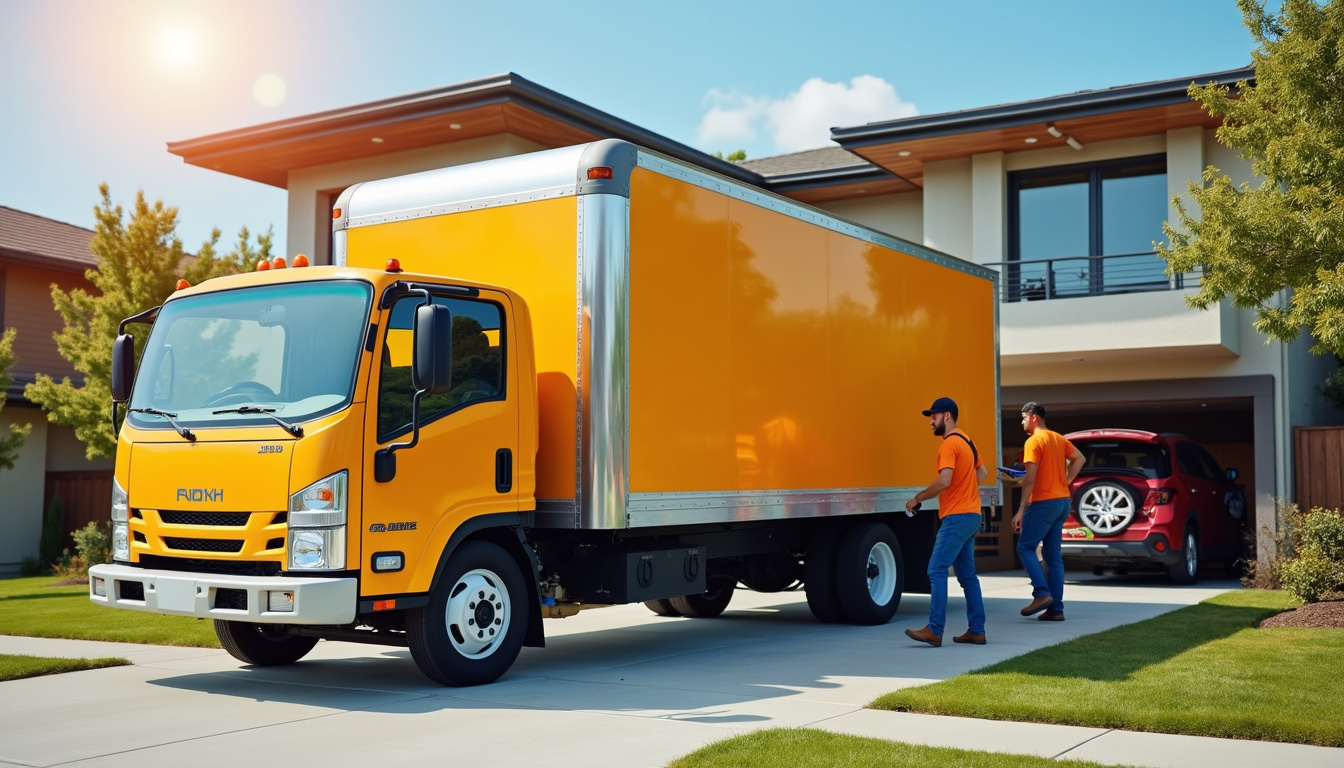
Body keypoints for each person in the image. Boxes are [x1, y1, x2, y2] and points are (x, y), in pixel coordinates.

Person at [904, 397, 988, 647]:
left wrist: (917, 499)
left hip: (956, 516)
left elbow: (944, 481)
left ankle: (935, 630)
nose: (931, 420)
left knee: (936, 570)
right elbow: (981, 473)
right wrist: (966, 489)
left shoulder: (949, 444)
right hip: (972, 514)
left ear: (947, 416)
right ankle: (976, 631)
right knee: (968, 576)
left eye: (934, 416)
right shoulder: (968, 441)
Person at [1013, 402, 1086, 621]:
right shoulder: (1057, 438)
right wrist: (1066, 481)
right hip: (1062, 502)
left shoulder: (1033, 441)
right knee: (1053, 556)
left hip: (1043, 502)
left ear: (1034, 417)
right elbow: (1079, 458)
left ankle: (1042, 594)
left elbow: (1031, 478)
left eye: (1024, 417)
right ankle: (1056, 609)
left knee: (1025, 547)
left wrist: (1020, 509)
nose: (1022, 421)